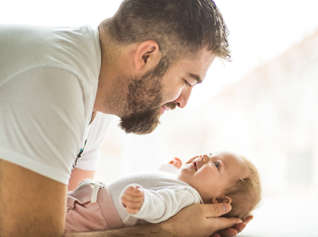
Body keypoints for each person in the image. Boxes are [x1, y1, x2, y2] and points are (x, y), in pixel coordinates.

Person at [0, 0, 251, 236]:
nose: (183, 102)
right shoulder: (56, 82)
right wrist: (168, 231)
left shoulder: (94, 99)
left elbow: (73, 216)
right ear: (146, 56)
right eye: (186, 81)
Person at [64, 152, 261, 233]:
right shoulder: (181, 185)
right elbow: (160, 183)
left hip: (93, 216)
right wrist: (168, 169)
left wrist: (143, 202)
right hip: (90, 203)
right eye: (209, 154)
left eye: (216, 164)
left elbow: (161, 204)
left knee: (50, 226)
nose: (204, 157)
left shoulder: (188, 197)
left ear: (220, 200)